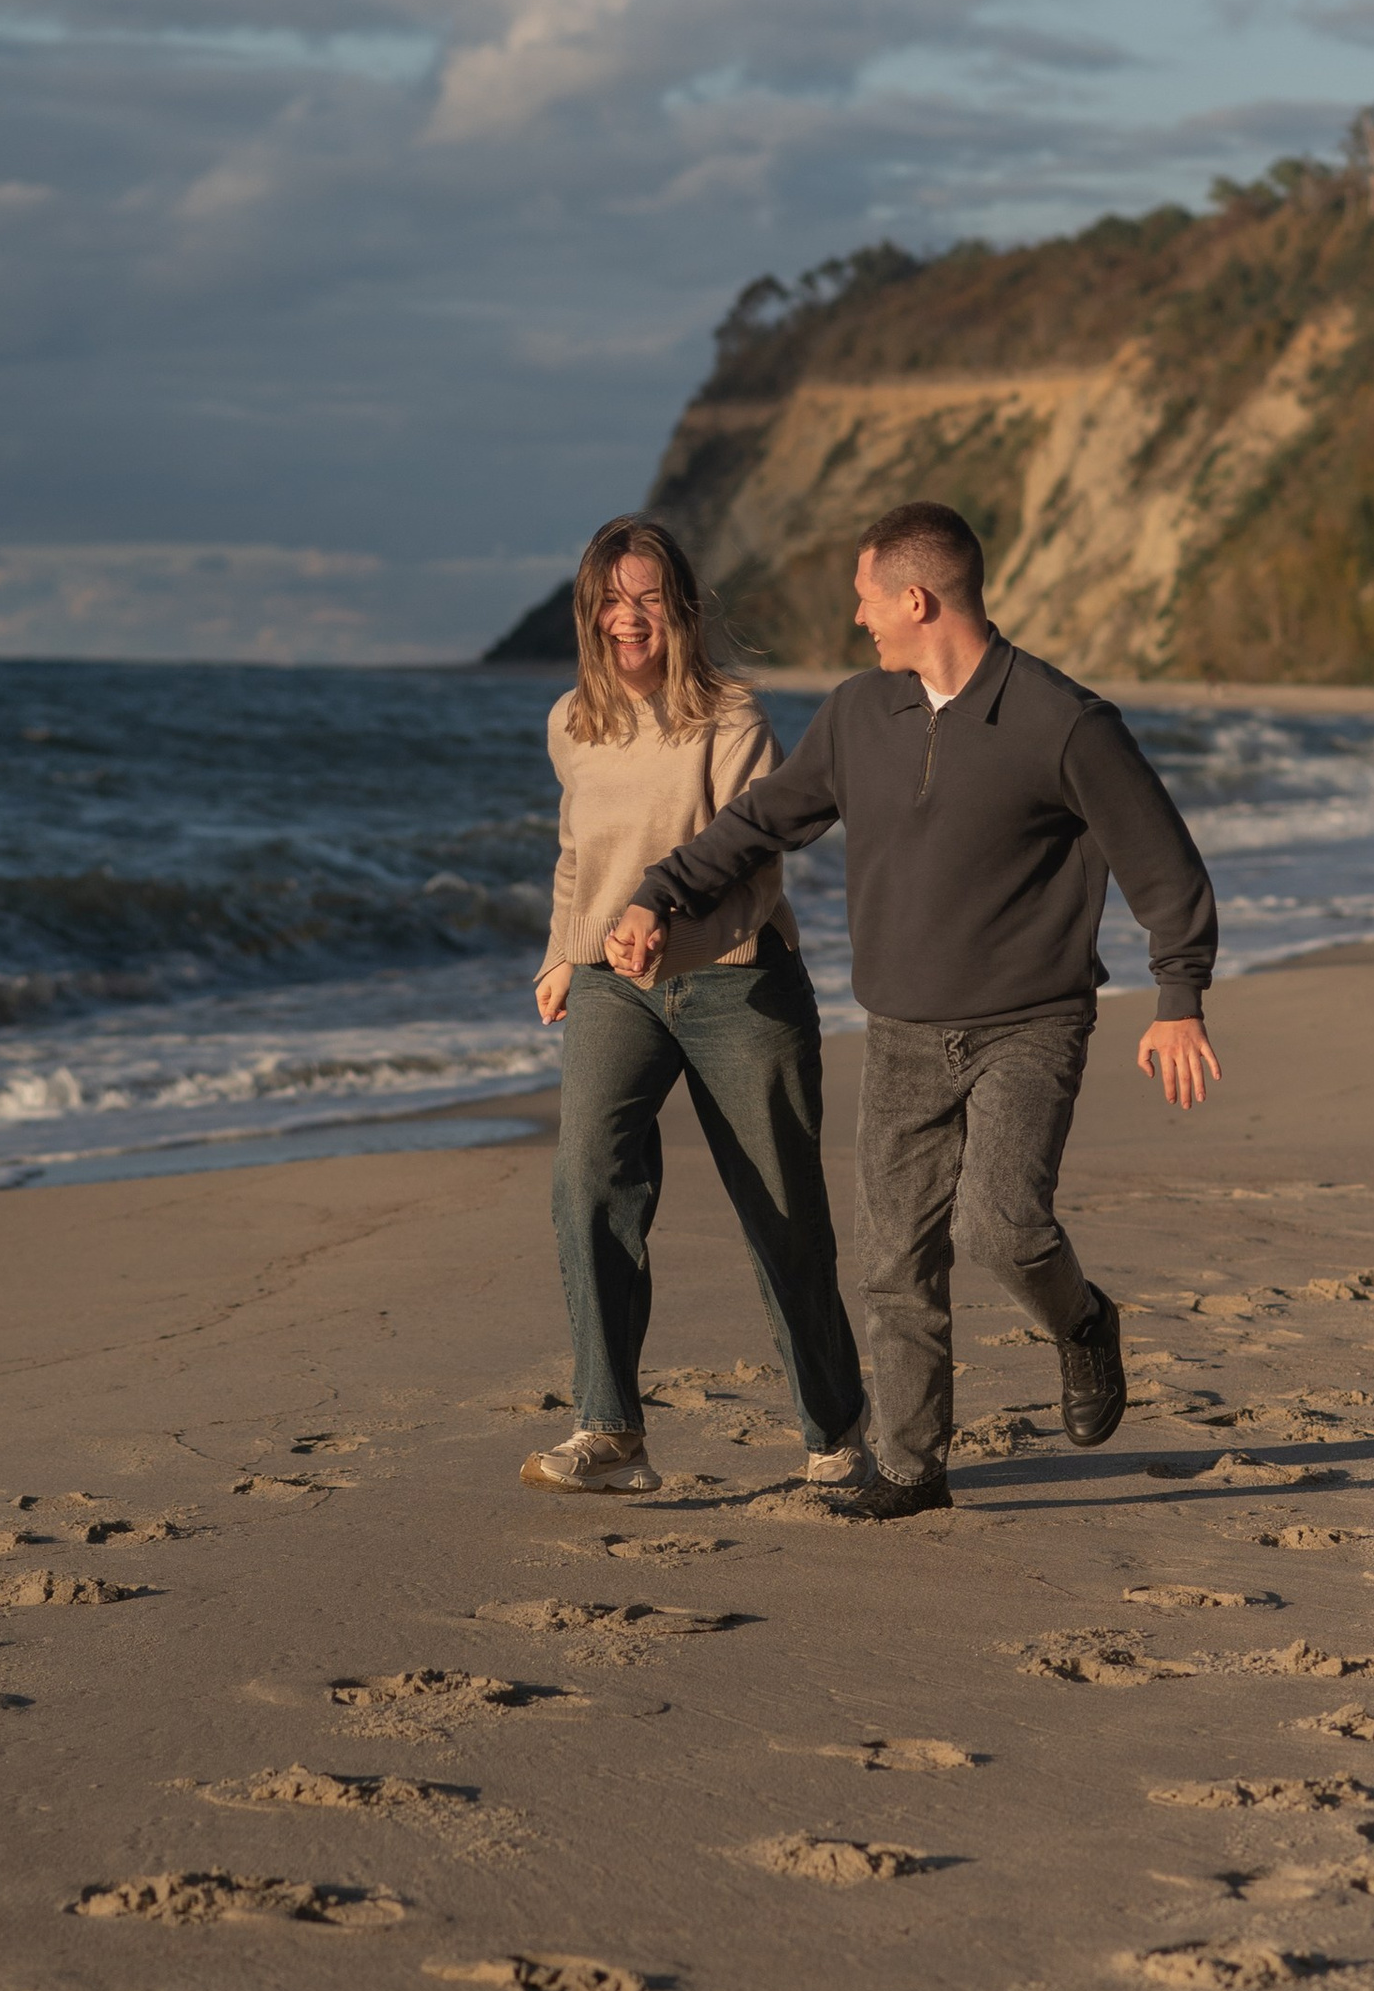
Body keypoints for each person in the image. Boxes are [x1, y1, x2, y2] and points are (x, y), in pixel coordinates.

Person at [605, 499, 1219, 1520]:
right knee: (894, 1257)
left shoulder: (1062, 721)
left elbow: (1162, 863)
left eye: (865, 598)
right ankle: (910, 1464)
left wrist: (1178, 997)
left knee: (1001, 1228)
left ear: (916, 597)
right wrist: (659, 892)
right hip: (899, 1029)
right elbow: (762, 820)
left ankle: (1081, 1321)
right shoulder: (856, 714)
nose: (859, 618)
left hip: (1031, 1021)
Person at [521, 516, 866, 1497]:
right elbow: (576, 855)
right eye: (610, 599)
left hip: (736, 980)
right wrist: (563, 952)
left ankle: (834, 1433)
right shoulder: (571, 722)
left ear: (681, 607)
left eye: (647, 597)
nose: (628, 618)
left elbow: (754, 863)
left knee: (781, 1209)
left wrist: (661, 919)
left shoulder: (732, 717)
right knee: (586, 1180)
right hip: (610, 986)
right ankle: (609, 1428)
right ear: (588, 611)